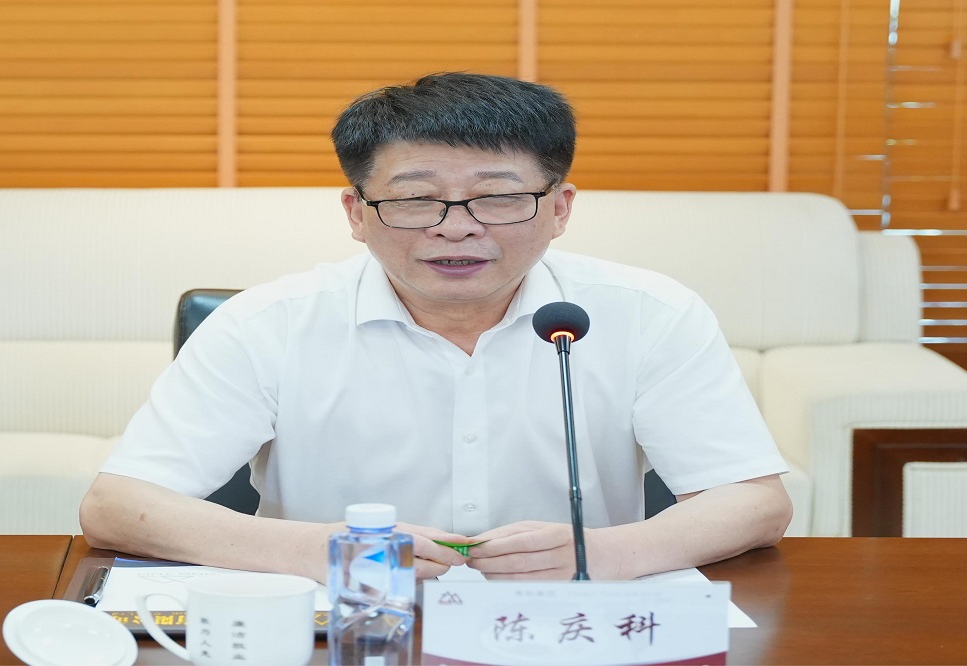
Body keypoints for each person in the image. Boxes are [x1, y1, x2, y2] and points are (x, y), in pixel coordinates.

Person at [80, 72, 792, 583]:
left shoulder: (649, 313)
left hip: (569, 625)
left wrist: (602, 554)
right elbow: (118, 507)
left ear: (560, 208)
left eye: (498, 198)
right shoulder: (267, 324)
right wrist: (321, 552)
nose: (457, 229)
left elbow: (753, 502)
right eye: (416, 199)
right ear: (357, 214)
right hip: (347, 625)